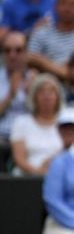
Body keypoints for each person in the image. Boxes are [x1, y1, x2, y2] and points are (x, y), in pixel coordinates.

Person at [10, 73, 64, 175]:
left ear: (58, 96)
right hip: (26, 178)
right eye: (42, 92)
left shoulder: (66, 122)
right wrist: (39, 172)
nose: (46, 96)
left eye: (51, 91)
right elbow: (19, 159)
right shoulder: (21, 122)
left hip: (59, 175)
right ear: (34, 97)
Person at [0, 32, 34, 172]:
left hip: (30, 135)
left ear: (26, 53)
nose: (12, 55)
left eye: (18, 50)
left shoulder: (36, 79)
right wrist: (11, 95)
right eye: (8, 50)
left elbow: (46, 115)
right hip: (2, 136)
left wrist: (32, 93)